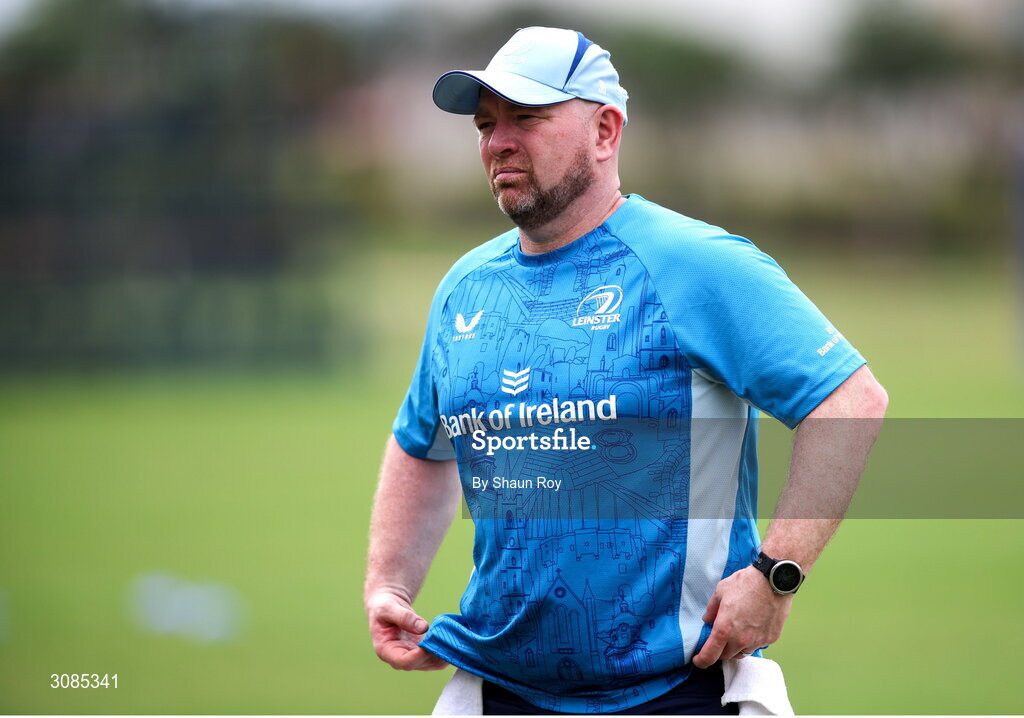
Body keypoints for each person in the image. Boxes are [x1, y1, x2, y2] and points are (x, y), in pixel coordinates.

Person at [365, 26, 887, 715]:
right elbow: (423, 442)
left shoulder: (696, 264)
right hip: (497, 686)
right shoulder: (465, 288)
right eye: (486, 124)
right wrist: (389, 585)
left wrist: (775, 575)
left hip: (679, 689)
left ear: (605, 131)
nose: (498, 143)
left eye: (526, 117)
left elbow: (849, 400)